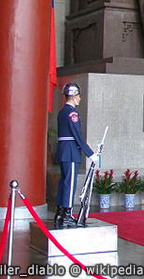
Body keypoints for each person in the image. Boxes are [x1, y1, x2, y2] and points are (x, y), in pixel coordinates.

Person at [54, 83, 98, 227]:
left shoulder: (62, 112)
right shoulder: (72, 114)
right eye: (78, 96)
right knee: (69, 184)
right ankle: (67, 213)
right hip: (71, 152)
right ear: (73, 96)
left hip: (64, 151)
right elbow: (77, 136)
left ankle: (60, 212)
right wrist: (90, 154)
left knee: (64, 182)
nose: (79, 98)